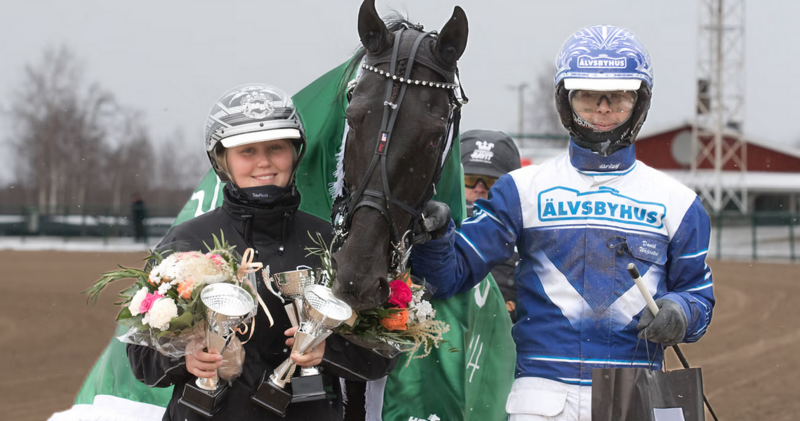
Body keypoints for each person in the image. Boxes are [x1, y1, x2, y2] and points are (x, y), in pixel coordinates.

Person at [411, 25, 715, 420]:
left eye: (619, 97)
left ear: (639, 102)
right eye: (588, 97)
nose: (603, 109)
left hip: (638, 393)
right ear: (565, 100)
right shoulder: (520, 190)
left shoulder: (680, 203)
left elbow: (698, 296)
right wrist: (435, 236)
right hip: (542, 397)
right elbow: (448, 275)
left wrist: (680, 310)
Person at [127, 84, 395, 421]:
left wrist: (329, 350)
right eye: (247, 151)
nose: (264, 162)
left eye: (276, 148)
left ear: (296, 153)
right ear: (221, 160)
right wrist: (186, 359)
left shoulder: (334, 244)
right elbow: (140, 356)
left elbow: (383, 355)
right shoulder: (186, 242)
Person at [460, 130, 521, 321]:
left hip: (505, 335)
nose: (479, 188)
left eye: (491, 181)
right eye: (470, 179)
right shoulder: (429, 228)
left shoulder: (528, 230)